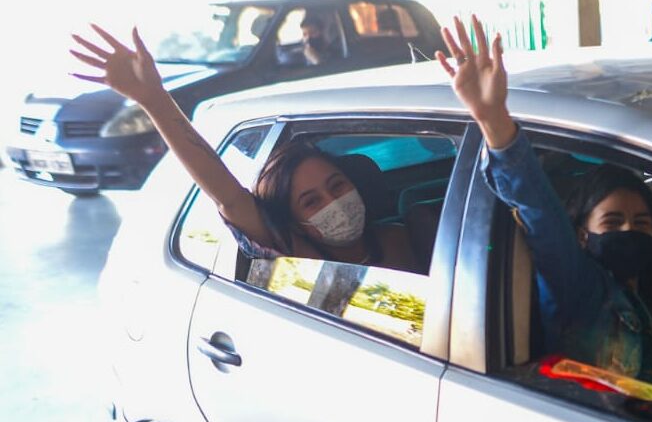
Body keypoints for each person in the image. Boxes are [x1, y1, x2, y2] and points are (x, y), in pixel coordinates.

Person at [436, 16, 652, 394]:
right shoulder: (580, 289)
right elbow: (539, 210)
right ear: (583, 236)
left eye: (642, 223)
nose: (629, 231)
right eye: (612, 221)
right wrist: (492, 118)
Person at [68, 25, 420, 271]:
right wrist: (154, 100)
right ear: (293, 222)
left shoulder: (403, 236)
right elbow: (229, 196)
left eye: (337, 185)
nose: (335, 204)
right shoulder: (296, 256)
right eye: (311, 201)